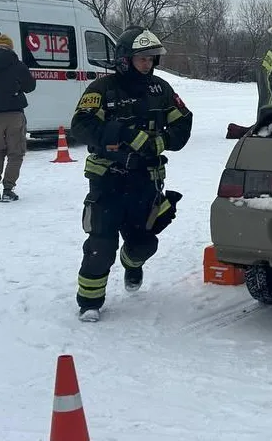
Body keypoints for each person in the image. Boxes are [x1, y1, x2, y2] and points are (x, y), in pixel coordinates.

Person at [70, 26, 193, 322]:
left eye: (151, 59)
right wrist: (124, 133)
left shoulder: (160, 90)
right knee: (101, 244)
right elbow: (81, 126)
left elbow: (184, 123)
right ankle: (89, 302)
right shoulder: (102, 89)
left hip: (145, 181)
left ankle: (131, 263)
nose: (148, 65)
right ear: (125, 59)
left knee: (145, 243)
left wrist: (160, 142)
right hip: (108, 180)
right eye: (142, 59)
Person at [0, 33, 35, 202]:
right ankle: (8, 188)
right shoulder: (16, 64)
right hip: (14, 112)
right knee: (15, 152)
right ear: (10, 47)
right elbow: (30, 86)